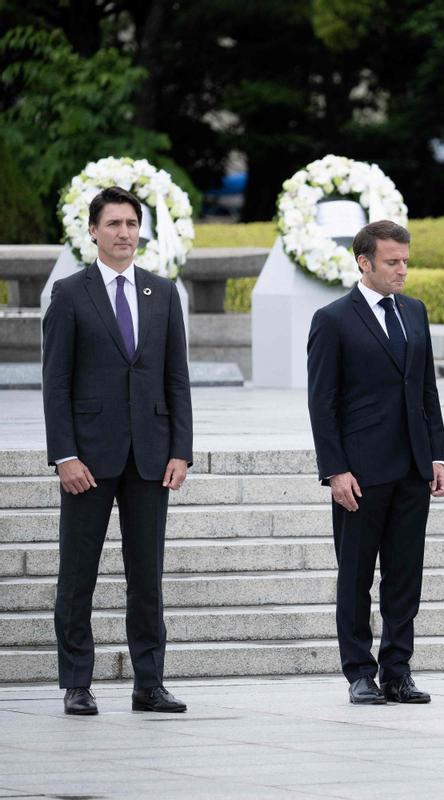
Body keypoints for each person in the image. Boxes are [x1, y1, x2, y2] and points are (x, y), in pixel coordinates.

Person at [42, 186, 193, 715]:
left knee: (146, 577)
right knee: (77, 573)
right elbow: (55, 383)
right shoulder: (70, 293)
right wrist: (64, 455)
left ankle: (148, 683)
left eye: (132, 223)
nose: (125, 233)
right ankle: (77, 683)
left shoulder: (163, 293)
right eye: (114, 224)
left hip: (151, 458)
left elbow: (177, 379)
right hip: (87, 458)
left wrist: (181, 449)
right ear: (93, 231)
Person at [307, 220, 444, 705]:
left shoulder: (415, 312)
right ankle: (359, 673)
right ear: (364, 262)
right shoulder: (333, 319)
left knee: (405, 575)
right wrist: (335, 469)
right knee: (356, 576)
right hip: (360, 473)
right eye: (392, 262)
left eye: (406, 260)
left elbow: (426, 389)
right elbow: (322, 403)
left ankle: (397, 671)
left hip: (411, 468)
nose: (402, 270)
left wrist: (435, 453)